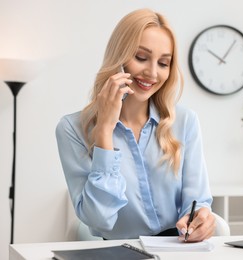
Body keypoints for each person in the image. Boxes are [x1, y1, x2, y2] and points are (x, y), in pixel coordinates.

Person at [55, 8, 215, 241]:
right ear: (118, 59)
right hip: (116, 252)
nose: (152, 72)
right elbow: (100, 219)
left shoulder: (185, 122)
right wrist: (105, 131)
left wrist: (202, 218)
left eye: (163, 63)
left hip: (179, 249)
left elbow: (197, 200)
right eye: (141, 57)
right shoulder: (72, 129)